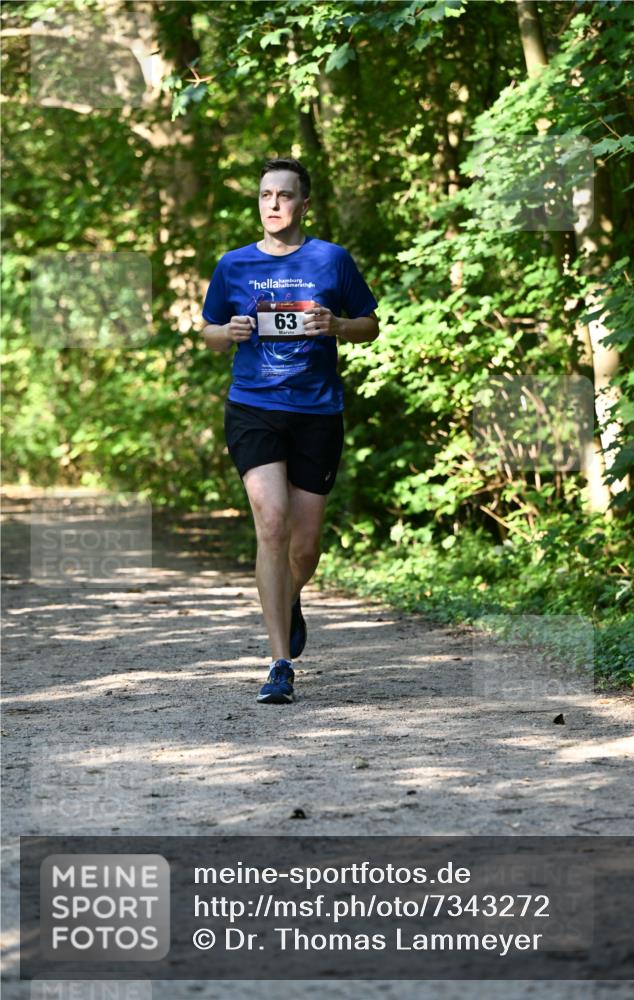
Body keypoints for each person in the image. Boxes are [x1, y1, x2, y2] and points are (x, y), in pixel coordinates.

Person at [201, 157, 379, 705]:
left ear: (304, 204)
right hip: (253, 407)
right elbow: (206, 330)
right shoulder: (233, 265)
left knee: (304, 545)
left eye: (283, 195)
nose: (272, 204)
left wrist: (338, 325)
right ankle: (279, 663)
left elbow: (370, 324)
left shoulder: (332, 259)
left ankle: (290, 595)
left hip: (317, 411)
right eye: (264, 196)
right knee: (272, 526)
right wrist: (225, 332)